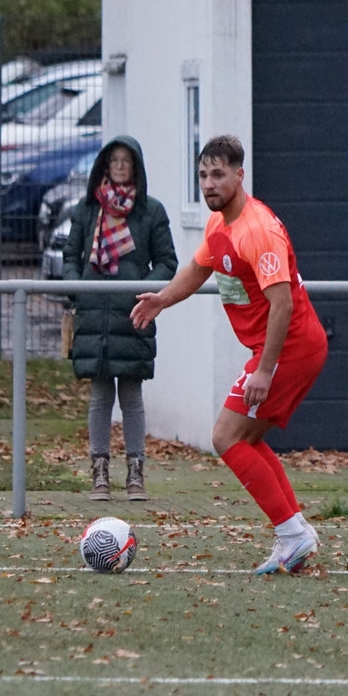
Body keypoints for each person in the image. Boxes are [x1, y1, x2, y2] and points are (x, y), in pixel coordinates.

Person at [131, 135, 328, 574]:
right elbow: (197, 269)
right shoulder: (219, 225)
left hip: (291, 347)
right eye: (203, 175)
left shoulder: (257, 230)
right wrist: (163, 299)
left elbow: (283, 305)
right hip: (282, 348)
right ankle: (295, 531)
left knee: (225, 436)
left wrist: (265, 369)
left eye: (218, 174)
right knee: (245, 438)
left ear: (240, 176)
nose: (209, 184)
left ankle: (292, 533)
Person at [62, 135, 178, 501]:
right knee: (99, 397)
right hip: (93, 316)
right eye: (114, 160)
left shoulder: (151, 212)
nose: (120, 166)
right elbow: (69, 258)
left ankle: (135, 474)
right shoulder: (86, 211)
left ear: (136, 167)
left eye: (127, 160)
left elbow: (167, 262)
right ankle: (99, 473)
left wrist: (143, 291)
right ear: (104, 165)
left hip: (134, 315)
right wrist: (78, 288)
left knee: (131, 395)